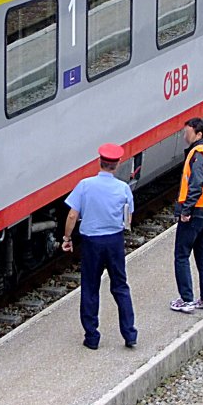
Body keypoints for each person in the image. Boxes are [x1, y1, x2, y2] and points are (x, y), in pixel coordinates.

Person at [62, 143, 137, 350]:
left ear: (99, 162)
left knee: (90, 287)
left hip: (91, 243)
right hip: (114, 241)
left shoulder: (85, 185)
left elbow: (72, 215)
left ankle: (92, 337)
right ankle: (129, 334)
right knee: (120, 286)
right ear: (117, 164)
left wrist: (67, 238)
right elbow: (128, 218)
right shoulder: (123, 188)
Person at [171, 117, 203, 314]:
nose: (185, 135)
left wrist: (186, 210)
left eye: (188, 132)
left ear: (198, 133)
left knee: (181, 255)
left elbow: (196, 183)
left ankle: (187, 300)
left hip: (197, 211)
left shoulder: (198, 153)